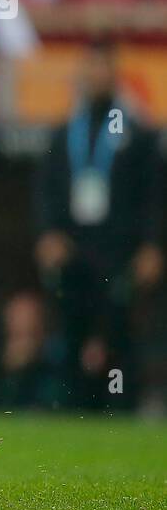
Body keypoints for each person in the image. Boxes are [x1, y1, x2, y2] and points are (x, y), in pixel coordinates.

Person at [34, 41, 162, 409]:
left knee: (121, 333)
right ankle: (74, 411)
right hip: (75, 250)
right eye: (90, 67)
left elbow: (153, 196)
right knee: (72, 329)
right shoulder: (64, 133)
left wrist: (153, 246)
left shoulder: (138, 133)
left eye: (104, 67)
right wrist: (48, 234)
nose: (96, 75)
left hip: (120, 251)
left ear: (115, 74)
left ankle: (125, 408)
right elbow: (46, 190)